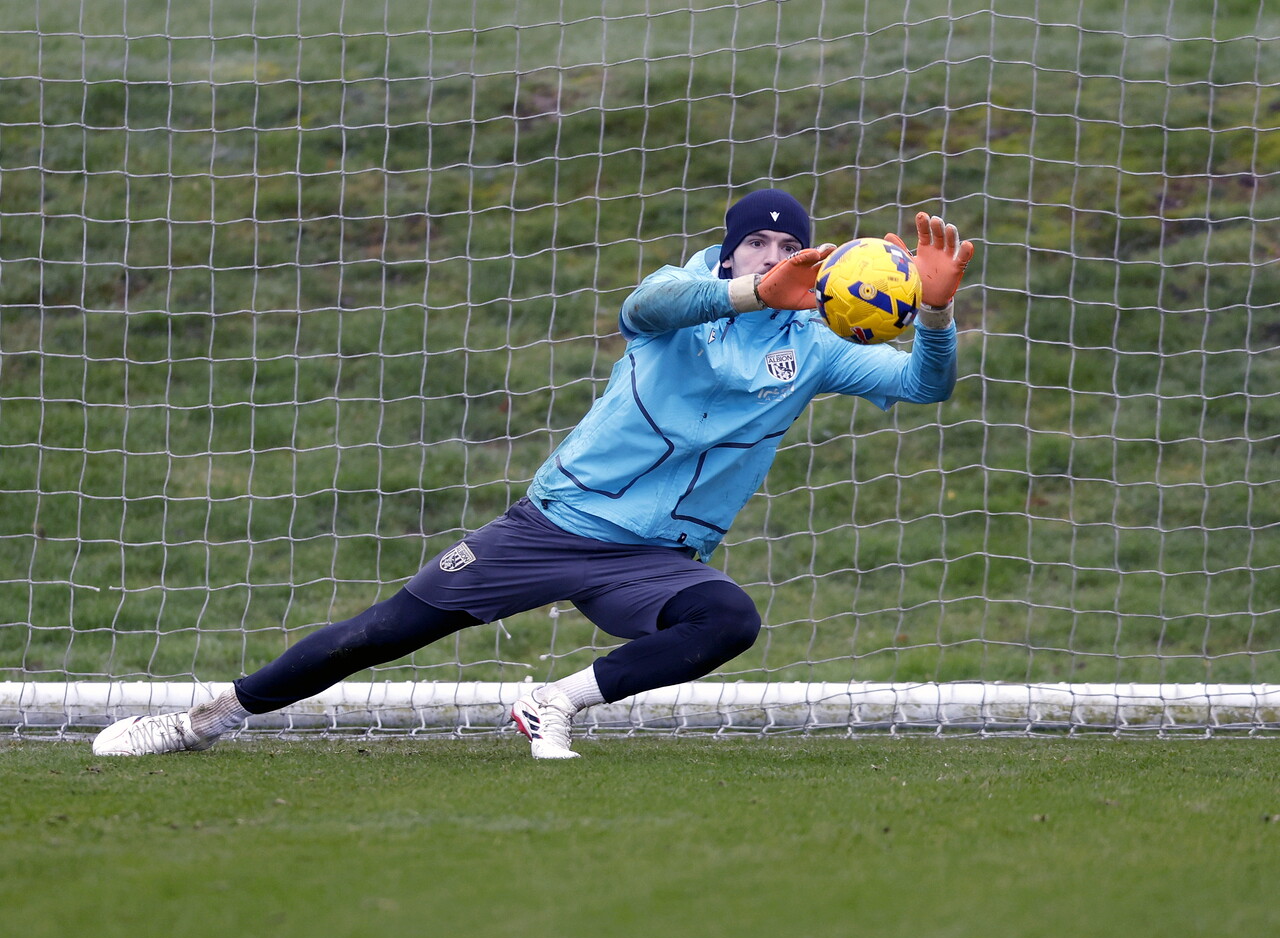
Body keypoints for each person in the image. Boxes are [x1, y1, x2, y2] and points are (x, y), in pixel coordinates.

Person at [93, 188, 974, 760]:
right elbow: (643, 308)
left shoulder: (815, 346)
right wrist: (748, 293)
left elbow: (924, 386)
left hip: (656, 560)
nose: (772, 250)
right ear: (729, 251)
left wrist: (933, 313)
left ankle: (555, 700)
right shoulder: (689, 294)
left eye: (789, 243)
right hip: (555, 526)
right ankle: (206, 720)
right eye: (756, 240)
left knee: (728, 619)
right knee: (379, 633)